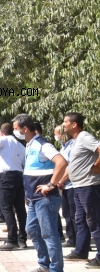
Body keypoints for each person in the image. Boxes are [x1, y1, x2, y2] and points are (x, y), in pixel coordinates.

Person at [13, 113, 67, 272]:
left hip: (45, 198)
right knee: (32, 230)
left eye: (16, 129)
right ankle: (44, 264)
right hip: (33, 199)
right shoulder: (29, 145)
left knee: (49, 234)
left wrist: (51, 185)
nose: (15, 132)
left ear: (25, 129)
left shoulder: (43, 144)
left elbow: (62, 162)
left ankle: (56, 269)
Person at [61, 112, 100, 268]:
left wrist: (96, 166)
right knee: (81, 220)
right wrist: (61, 181)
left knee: (95, 221)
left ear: (74, 124)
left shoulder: (84, 137)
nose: (63, 125)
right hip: (78, 186)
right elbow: (74, 165)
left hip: (88, 185)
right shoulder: (76, 141)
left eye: (65, 122)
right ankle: (81, 250)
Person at [0, 123, 28, 250]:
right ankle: (22, 239)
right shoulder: (20, 145)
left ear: (1, 133)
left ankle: (12, 239)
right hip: (19, 176)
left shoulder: (4, 140)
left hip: (7, 177)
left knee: (6, 208)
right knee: (20, 209)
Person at [54, 124, 82, 251]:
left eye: (58, 133)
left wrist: (62, 180)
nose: (57, 136)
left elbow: (70, 167)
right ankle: (72, 238)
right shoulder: (63, 148)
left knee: (74, 214)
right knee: (66, 213)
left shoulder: (72, 147)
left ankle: (78, 241)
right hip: (65, 185)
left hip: (71, 184)